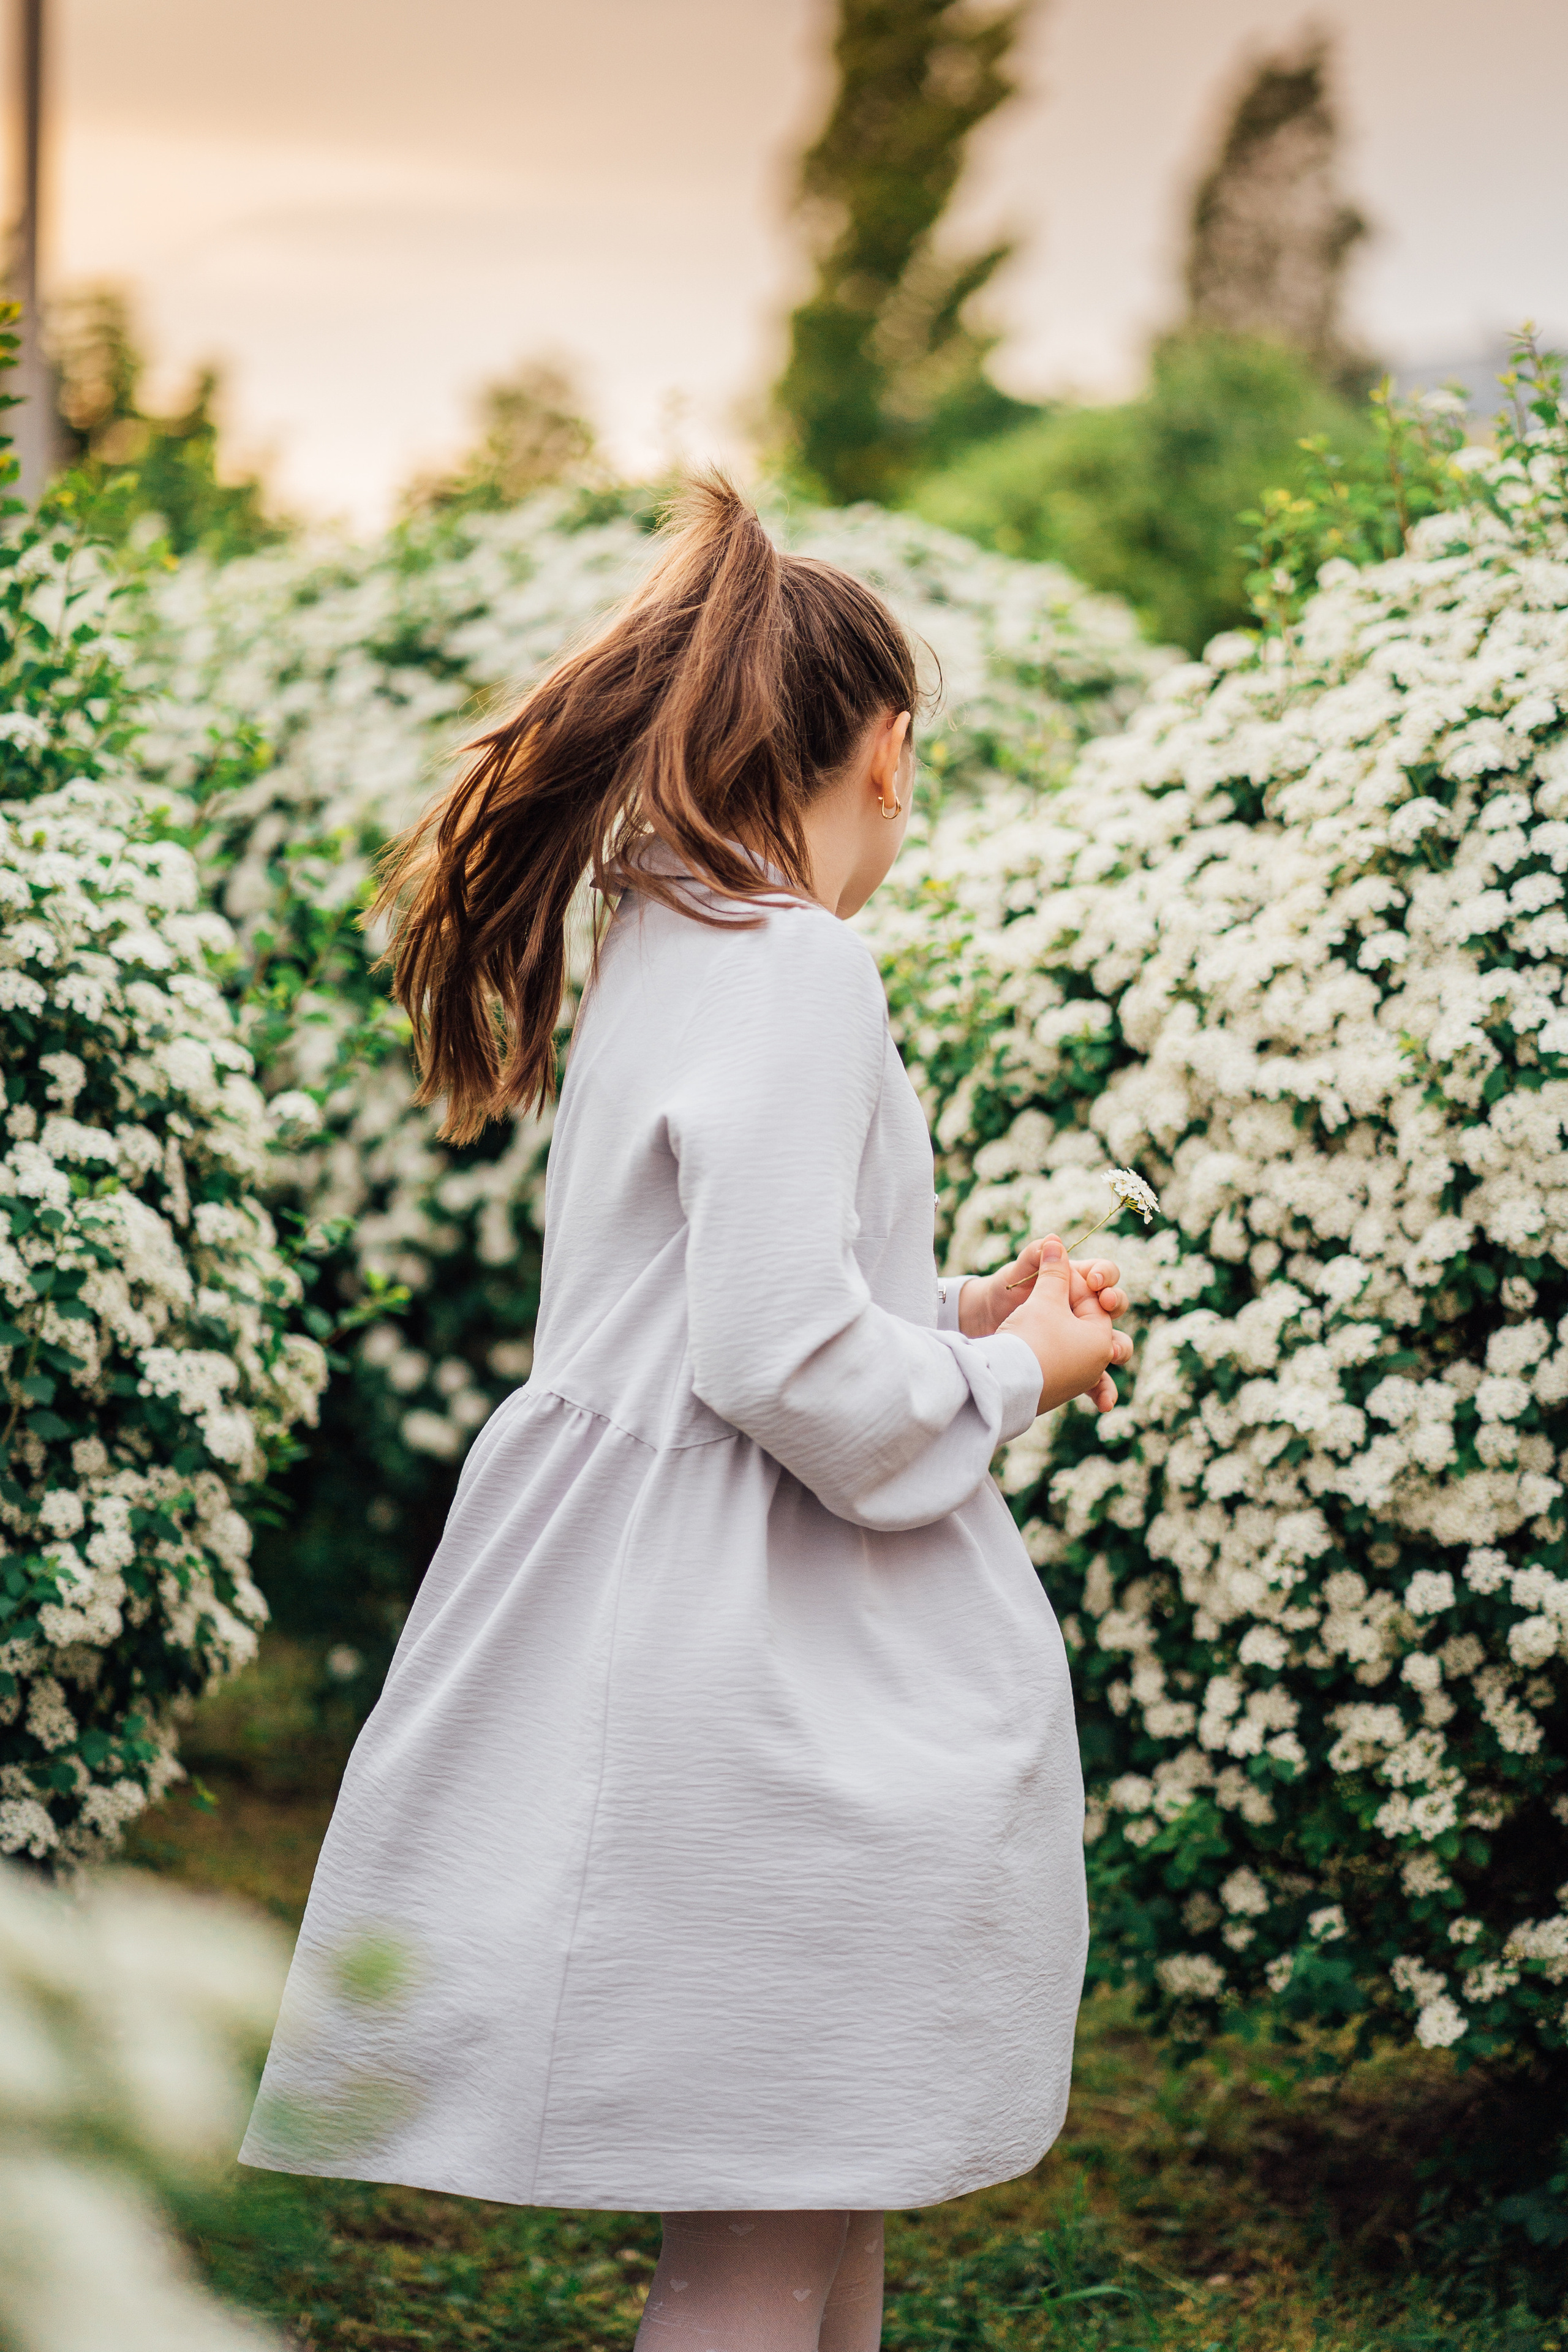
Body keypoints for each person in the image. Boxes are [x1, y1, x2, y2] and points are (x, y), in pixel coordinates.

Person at [239, 477, 1134, 2351]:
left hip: (662, 1612)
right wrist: (1012, 1371)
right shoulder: (798, 960)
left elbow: (714, 1298)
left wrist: (951, 1310)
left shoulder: (667, 937)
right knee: (757, 2245)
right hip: (767, 1672)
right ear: (887, 750)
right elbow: (775, 1359)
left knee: (815, 2197)